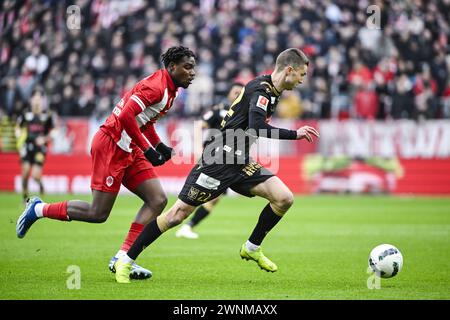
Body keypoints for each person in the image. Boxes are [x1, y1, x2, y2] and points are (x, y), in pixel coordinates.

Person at [114, 48, 320, 283]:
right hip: (219, 159)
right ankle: (126, 261)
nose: (303, 80)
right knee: (176, 215)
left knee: (284, 198)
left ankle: (252, 247)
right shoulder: (261, 90)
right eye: (302, 74)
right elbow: (257, 128)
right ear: (289, 70)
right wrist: (296, 134)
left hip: (240, 160)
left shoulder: (273, 91)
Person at [15, 46, 197, 280]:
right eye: (187, 67)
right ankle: (38, 209)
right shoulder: (157, 87)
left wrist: (158, 145)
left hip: (128, 145)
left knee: (157, 199)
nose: (192, 73)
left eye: (193, 68)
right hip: (112, 144)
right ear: (172, 67)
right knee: (98, 213)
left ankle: (123, 258)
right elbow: (125, 117)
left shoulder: (168, 89)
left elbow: (144, 120)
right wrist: (148, 149)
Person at [175, 82, 244, 239]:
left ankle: (186, 226)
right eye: (235, 92)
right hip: (213, 157)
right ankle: (181, 222)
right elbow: (199, 125)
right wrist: (199, 149)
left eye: (241, 93)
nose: (237, 95)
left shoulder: (241, 113)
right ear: (228, 94)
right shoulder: (220, 110)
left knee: (213, 198)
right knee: (203, 194)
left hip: (227, 159)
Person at [15, 88, 54, 203]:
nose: (37, 101)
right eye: (35, 99)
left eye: (39, 99)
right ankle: (25, 197)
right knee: (25, 172)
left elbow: (53, 131)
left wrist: (45, 138)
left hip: (40, 148)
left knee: (35, 175)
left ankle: (40, 184)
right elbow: (18, 126)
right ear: (31, 100)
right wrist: (18, 134)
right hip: (27, 146)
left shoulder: (47, 115)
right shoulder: (26, 114)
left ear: (42, 101)